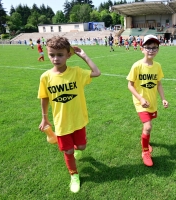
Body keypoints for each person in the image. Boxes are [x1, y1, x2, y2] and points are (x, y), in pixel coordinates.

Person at [37, 36, 101, 193]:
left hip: (78, 119)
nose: (56, 58)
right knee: (69, 152)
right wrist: (45, 118)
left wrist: (84, 56)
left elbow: (97, 72)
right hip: (61, 123)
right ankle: (74, 175)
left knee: (81, 147)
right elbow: (44, 98)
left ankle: (75, 147)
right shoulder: (45, 77)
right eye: (52, 55)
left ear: (68, 55)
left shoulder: (77, 72)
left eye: (60, 54)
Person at [127, 34, 169, 167]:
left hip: (152, 101)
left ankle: (144, 141)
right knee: (148, 126)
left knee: (148, 127)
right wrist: (140, 98)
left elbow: (159, 84)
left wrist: (163, 99)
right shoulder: (137, 66)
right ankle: (145, 152)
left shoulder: (157, 66)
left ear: (158, 49)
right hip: (140, 102)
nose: (151, 50)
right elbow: (130, 85)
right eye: (148, 47)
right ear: (142, 49)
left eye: (154, 47)